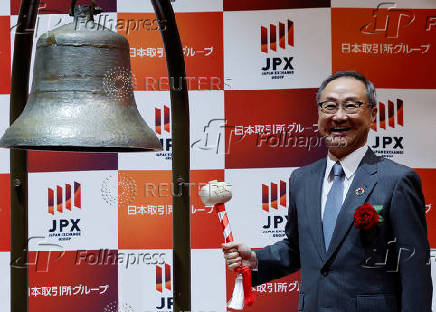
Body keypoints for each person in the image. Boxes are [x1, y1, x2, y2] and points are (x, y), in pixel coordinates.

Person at [223, 71, 432, 311]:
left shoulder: (397, 180)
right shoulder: (302, 179)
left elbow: (415, 271)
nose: (339, 116)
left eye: (352, 106)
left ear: (373, 114)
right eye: (329, 106)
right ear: (319, 114)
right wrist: (257, 259)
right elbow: (298, 247)